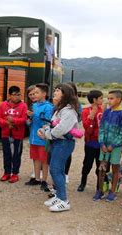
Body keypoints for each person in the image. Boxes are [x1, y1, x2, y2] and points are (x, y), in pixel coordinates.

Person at [38, 83, 79, 212]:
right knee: (58, 170)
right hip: (58, 143)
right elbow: (53, 125)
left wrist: (46, 135)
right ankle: (59, 196)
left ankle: (64, 201)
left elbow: (60, 129)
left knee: (55, 170)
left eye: (58, 90)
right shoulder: (60, 109)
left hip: (64, 143)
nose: (55, 92)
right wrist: (46, 130)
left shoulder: (68, 111)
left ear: (65, 94)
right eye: (55, 90)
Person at [93, 90, 122, 202]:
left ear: (119, 99)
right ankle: (100, 190)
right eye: (108, 98)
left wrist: (113, 145)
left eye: (111, 98)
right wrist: (102, 143)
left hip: (115, 147)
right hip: (104, 146)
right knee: (101, 168)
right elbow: (101, 128)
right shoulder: (106, 112)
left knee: (115, 168)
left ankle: (112, 192)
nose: (109, 100)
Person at [0, 86, 28, 183]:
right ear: (9, 95)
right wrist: (6, 123)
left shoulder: (23, 106)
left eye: (19, 95)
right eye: (14, 95)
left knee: (16, 154)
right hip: (5, 134)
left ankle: (15, 173)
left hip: (18, 135)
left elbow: (24, 119)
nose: (17, 97)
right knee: (7, 153)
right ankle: (7, 172)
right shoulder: (3, 105)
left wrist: (14, 120)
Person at [25, 84, 53, 192]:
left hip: (42, 138)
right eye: (33, 93)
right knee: (35, 158)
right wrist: (29, 120)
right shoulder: (34, 105)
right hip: (33, 137)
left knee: (44, 160)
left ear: (44, 94)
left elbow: (47, 121)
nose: (34, 95)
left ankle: (44, 180)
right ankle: (36, 178)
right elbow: (32, 120)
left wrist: (33, 116)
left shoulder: (48, 107)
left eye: (37, 93)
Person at [77, 90, 104, 192]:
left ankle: (99, 186)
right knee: (87, 163)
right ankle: (82, 183)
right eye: (101, 98)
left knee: (99, 165)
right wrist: (91, 116)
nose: (103, 100)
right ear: (94, 100)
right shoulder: (85, 111)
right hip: (90, 142)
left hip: (101, 143)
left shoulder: (103, 111)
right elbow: (87, 128)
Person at [63, 81, 81, 184]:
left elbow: (78, 118)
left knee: (68, 154)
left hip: (69, 134)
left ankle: (66, 174)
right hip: (61, 133)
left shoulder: (76, 104)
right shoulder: (60, 103)